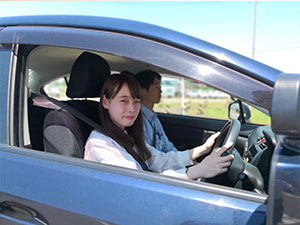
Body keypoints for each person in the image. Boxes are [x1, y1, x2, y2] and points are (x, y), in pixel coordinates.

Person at [84, 73, 234, 180]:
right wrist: (196, 172)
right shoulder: (99, 144)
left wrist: (202, 150)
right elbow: (138, 184)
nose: (132, 108)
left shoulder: (126, 136)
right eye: (123, 100)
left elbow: (159, 161)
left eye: (136, 101)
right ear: (105, 102)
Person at [135, 69, 206, 153]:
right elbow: (150, 156)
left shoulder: (153, 118)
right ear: (142, 90)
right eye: (156, 86)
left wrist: (186, 161)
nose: (160, 91)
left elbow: (167, 146)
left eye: (160, 87)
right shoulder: (138, 120)